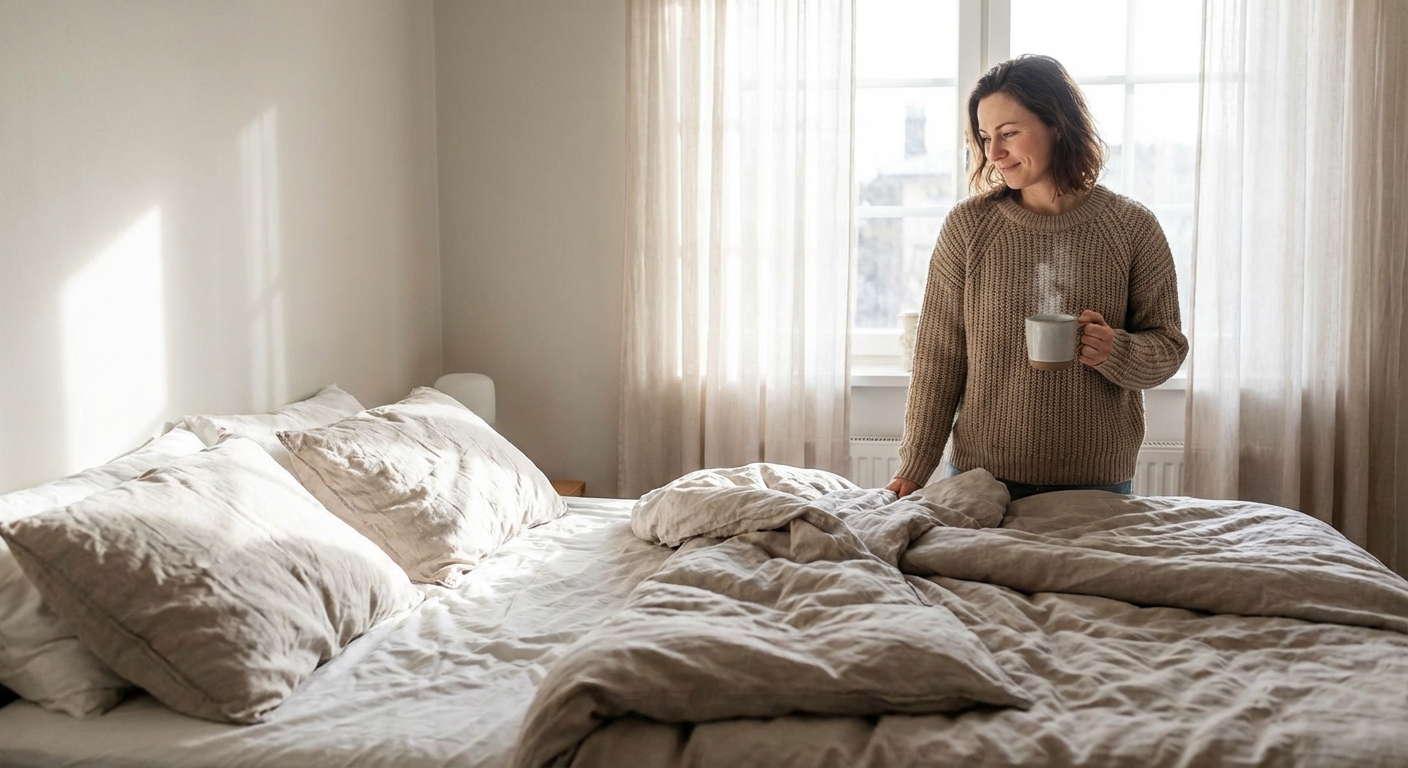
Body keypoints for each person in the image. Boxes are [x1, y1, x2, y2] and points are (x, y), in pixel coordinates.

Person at [884, 54, 1188, 502]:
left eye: (1009, 134)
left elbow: (1168, 346)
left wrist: (1115, 350)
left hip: (1097, 481)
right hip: (981, 479)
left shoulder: (1132, 227)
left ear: (1058, 124)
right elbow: (939, 359)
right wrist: (912, 471)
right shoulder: (968, 227)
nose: (994, 153)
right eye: (986, 137)